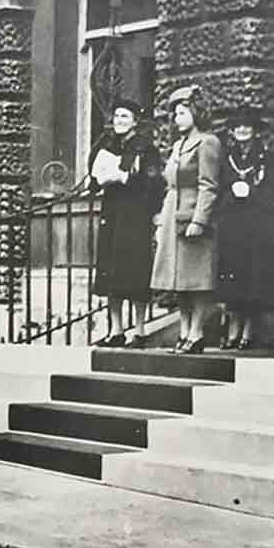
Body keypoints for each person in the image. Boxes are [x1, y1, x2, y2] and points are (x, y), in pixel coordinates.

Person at [150, 85, 222, 354]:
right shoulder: (178, 145)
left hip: (192, 216)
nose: (176, 118)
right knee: (176, 280)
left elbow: (209, 185)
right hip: (172, 215)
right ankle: (183, 331)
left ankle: (197, 332)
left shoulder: (207, 143)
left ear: (195, 113)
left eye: (182, 112)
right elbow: (170, 184)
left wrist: (199, 220)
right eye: (175, 114)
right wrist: (161, 222)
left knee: (197, 279)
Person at [87, 98, 164, 348]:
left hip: (135, 215)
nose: (119, 121)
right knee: (111, 271)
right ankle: (116, 329)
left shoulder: (145, 148)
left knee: (134, 272)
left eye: (125, 117)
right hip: (112, 212)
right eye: (117, 116)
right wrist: (98, 178)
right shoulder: (108, 143)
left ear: (135, 121)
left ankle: (139, 330)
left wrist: (127, 179)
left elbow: (154, 184)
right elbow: (94, 175)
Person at [215, 107, 270, 349]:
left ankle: (248, 329)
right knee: (231, 273)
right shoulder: (227, 155)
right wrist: (231, 194)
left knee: (252, 275)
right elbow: (217, 185)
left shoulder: (264, 155)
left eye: (247, 126)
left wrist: (254, 194)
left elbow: (273, 188)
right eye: (237, 127)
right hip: (231, 221)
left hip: (255, 221)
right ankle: (233, 327)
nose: (242, 130)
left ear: (255, 131)